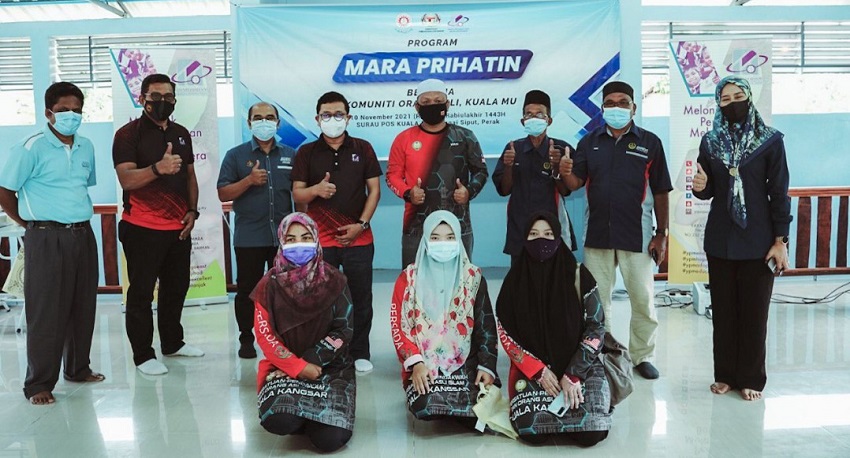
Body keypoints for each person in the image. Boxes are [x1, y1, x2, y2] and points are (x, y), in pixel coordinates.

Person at [0, 82, 104, 404]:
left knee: (82, 305)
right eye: (63, 110)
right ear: (48, 113)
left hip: (83, 234)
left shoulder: (86, 146)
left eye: (76, 110)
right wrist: (29, 224)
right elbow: (5, 190)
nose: (71, 115)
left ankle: (78, 368)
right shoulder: (30, 147)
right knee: (46, 310)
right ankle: (39, 384)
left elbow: (81, 186)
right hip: (46, 237)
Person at [561, 81, 673, 380]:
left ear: (633, 107)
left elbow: (661, 191)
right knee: (598, 301)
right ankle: (603, 352)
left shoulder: (650, 142)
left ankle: (642, 356)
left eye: (623, 102)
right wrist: (564, 171)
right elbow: (574, 184)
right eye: (610, 103)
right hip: (597, 234)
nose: (616, 108)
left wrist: (661, 234)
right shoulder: (589, 142)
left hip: (637, 234)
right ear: (602, 109)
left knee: (642, 299)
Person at [692, 76, 791, 401]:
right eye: (725, 99)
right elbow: (708, 189)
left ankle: (751, 378)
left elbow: (779, 193)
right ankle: (725, 376)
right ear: (718, 104)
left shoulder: (769, 141)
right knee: (724, 313)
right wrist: (699, 187)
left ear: (749, 98)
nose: (732, 103)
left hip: (759, 241)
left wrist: (780, 240)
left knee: (754, 314)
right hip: (721, 240)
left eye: (738, 96)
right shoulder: (711, 142)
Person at [113, 73, 204, 376]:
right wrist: (157, 168)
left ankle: (173, 343)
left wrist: (192, 210)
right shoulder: (128, 135)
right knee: (141, 294)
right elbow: (127, 179)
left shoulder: (181, 133)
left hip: (178, 228)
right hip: (141, 228)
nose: (162, 102)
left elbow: (190, 176)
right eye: (155, 96)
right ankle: (143, 355)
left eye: (168, 97)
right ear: (142, 99)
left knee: (176, 288)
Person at [496, 212, 610, 446]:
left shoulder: (578, 274)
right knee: (532, 430)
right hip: (533, 369)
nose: (542, 241)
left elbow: (596, 327)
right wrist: (538, 371)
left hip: (580, 366)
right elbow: (505, 333)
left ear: (559, 238)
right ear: (525, 239)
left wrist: (573, 374)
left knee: (591, 432)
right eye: (534, 234)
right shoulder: (513, 282)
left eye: (549, 234)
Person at [292, 91, 382, 373]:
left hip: (359, 239)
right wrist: (316, 190)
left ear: (348, 117)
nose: (333, 119)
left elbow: (374, 190)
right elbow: (298, 194)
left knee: (361, 298)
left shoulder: (363, 148)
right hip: (321, 242)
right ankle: (324, 351)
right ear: (317, 119)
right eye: (327, 115)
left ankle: (360, 352)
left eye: (339, 114)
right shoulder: (306, 152)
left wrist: (361, 225)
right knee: (321, 299)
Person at [252, 213, 355, 452]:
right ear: (281, 242)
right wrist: (296, 367)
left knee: (330, 440)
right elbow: (265, 335)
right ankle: (304, 416)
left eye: (306, 237)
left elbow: (343, 330)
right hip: (284, 367)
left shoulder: (335, 280)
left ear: (316, 240)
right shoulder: (269, 284)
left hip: (330, 368)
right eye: (291, 239)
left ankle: (313, 417)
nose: (299, 245)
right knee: (279, 420)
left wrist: (310, 361)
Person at [389, 210, 499, 425]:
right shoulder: (408, 278)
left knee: (478, 414)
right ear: (425, 241)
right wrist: (416, 363)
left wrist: (487, 366)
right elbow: (399, 328)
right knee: (427, 408)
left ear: (459, 240)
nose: (443, 243)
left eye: (450, 237)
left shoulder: (473, 278)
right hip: (423, 362)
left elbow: (486, 326)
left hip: (465, 360)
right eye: (435, 237)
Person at [218, 101, 297, 359]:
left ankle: (284, 337)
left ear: (278, 123)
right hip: (249, 237)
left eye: (270, 117)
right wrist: (249, 181)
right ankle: (246, 338)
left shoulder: (290, 155)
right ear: (249, 122)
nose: (265, 122)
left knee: (284, 291)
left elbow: (299, 193)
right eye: (259, 117)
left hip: (283, 239)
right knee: (247, 292)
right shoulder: (235, 155)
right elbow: (223, 193)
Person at [386, 78, 489, 268]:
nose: (432, 105)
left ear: (447, 104)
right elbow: (392, 176)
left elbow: (481, 171)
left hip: (458, 224)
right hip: (416, 225)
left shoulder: (465, 136)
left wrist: (468, 192)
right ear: (417, 107)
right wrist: (408, 193)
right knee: (414, 281)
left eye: (438, 100)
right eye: (426, 102)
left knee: (460, 281)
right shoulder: (404, 138)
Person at [492, 89, 577, 266]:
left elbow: (566, 191)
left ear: (549, 120)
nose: (534, 118)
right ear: (523, 121)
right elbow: (504, 190)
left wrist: (556, 166)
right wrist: (508, 166)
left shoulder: (562, 149)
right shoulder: (513, 148)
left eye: (539, 114)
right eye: (529, 114)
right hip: (520, 226)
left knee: (554, 277)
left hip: (552, 226)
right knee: (521, 279)